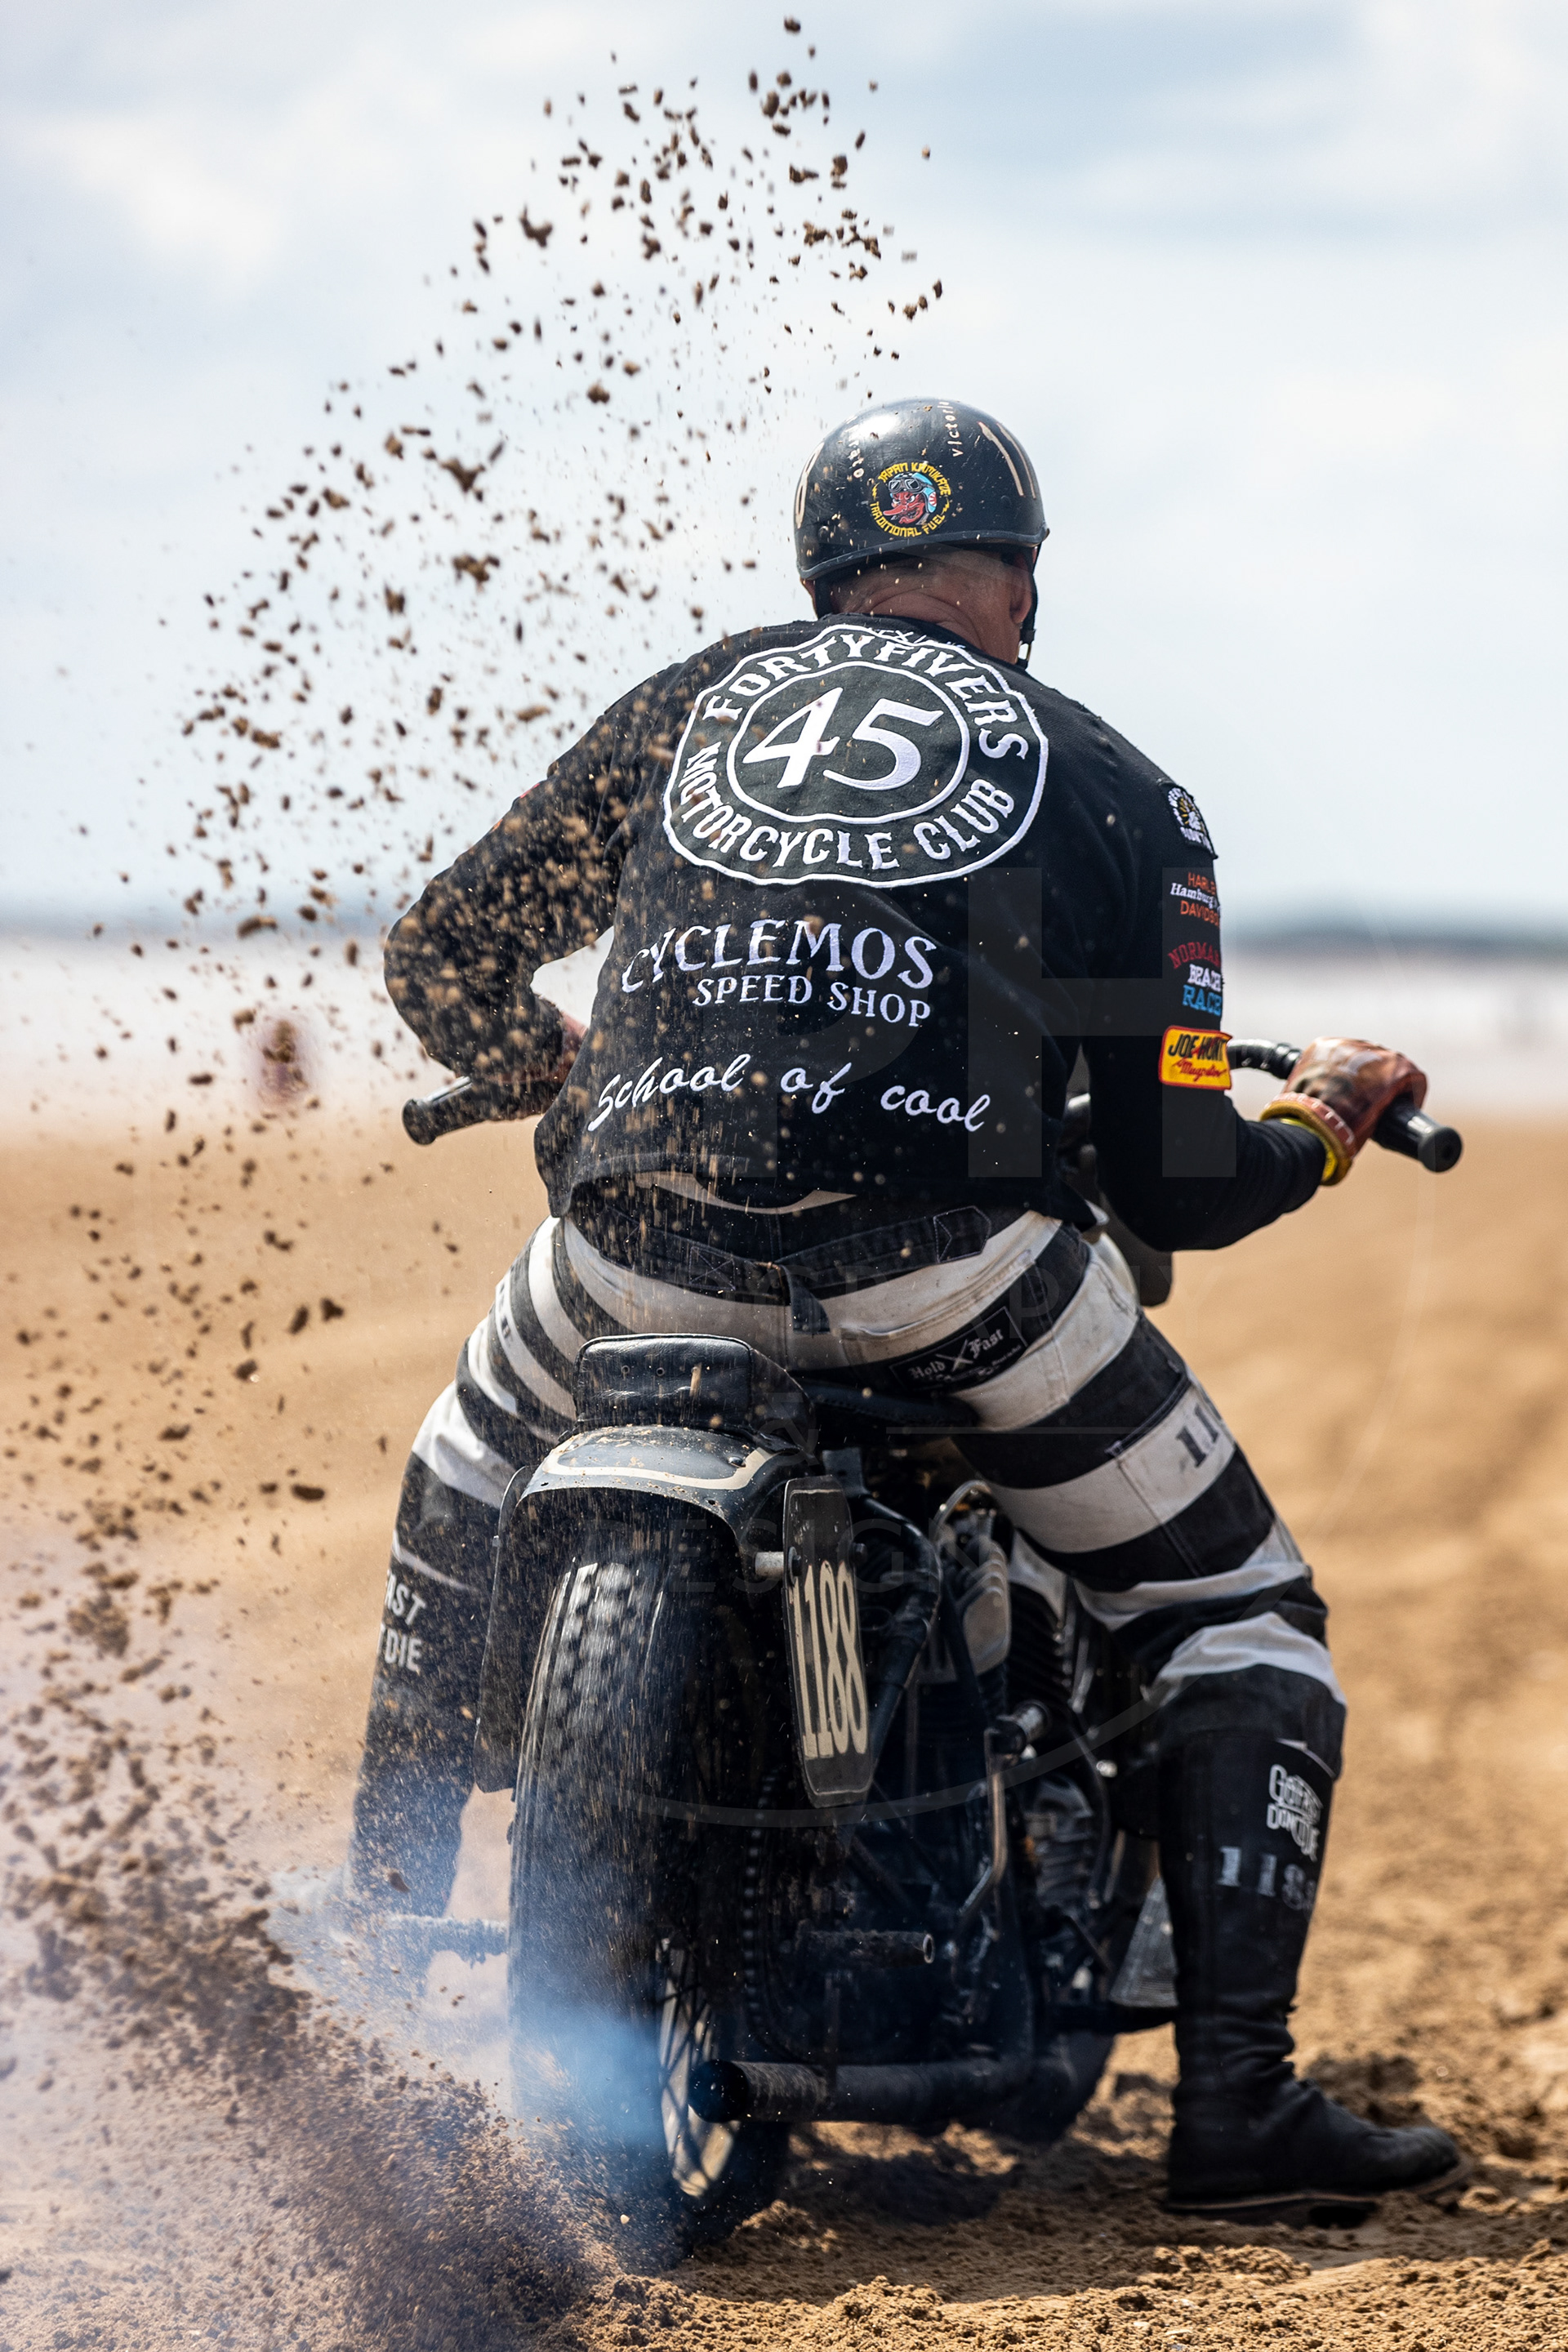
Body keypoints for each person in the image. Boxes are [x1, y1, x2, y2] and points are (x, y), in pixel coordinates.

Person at [346, 396, 1463, 2220]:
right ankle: (1242, 2107)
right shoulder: (1114, 784)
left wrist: (556, 1072)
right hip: (954, 1282)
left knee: (461, 1470)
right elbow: (1182, 1189)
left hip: (629, 1251)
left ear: (822, 580)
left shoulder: (690, 708)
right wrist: (1319, 1125)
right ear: (1016, 585)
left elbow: (441, 958)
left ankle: (377, 1942)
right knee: (1239, 1612)